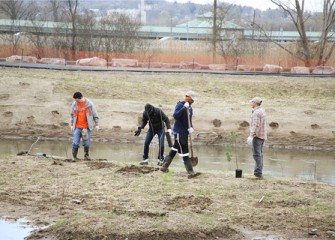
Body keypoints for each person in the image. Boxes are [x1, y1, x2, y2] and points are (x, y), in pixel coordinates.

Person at [160, 91, 201, 179]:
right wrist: (183, 108)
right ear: (189, 99)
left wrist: (191, 128)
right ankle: (191, 171)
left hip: (185, 132)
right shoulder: (180, 105)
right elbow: (175, 116)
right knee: (185, 151)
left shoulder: (190, 108)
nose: (193, 102)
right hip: (179, 132)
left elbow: (188, 120)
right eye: (192, 100)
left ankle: (164, 167)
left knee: (174, 149)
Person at [70, 92, 99, 161]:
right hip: (77, 127)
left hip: (86, 127)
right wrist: (71, 124)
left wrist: (97, 124)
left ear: (80, 98)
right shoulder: (74, 104)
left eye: (77, 100)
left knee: (86, 144)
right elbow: (72, 115)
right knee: (75, 143)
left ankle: (86, 156)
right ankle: (74, 157)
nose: (75, 101)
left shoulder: (89, 104)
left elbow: (95, 114)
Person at [247, 96, 267, 179]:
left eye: (252, 102)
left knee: (256, 154)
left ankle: (258, 174)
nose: (251, 103)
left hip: (257, 136)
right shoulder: (262, 111)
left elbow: (256, 125)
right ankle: (258, 173)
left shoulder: (256, 112)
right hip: (262, 136)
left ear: (255, 103)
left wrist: (251, 136)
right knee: (260, 154)